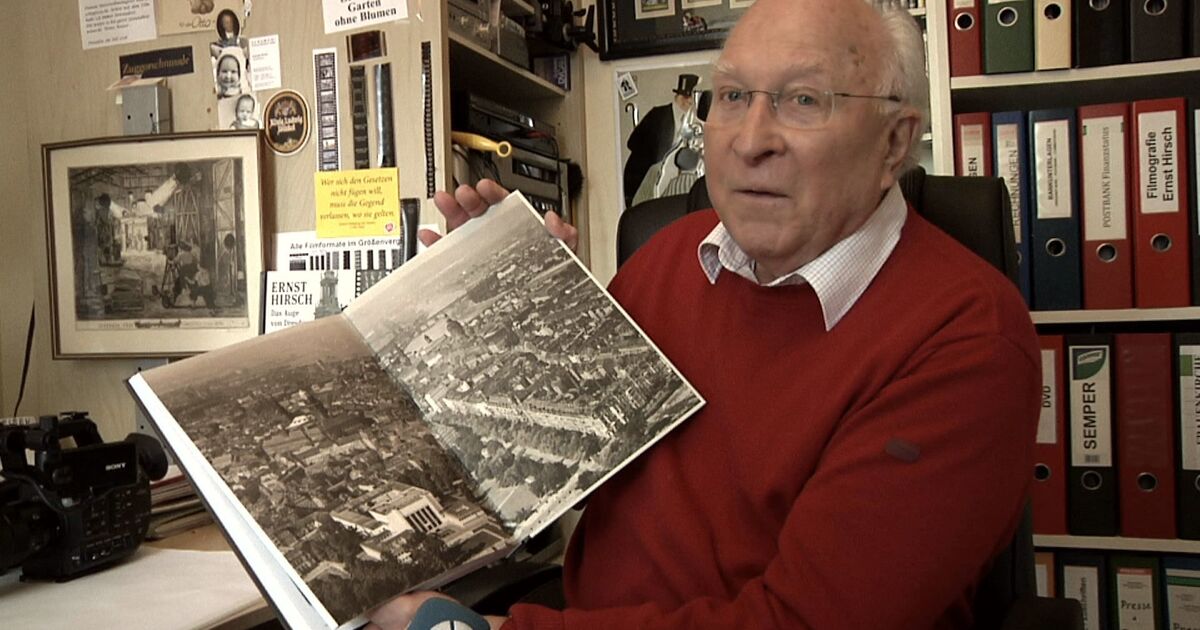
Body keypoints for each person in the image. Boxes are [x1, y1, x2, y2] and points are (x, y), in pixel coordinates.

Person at [368, 0, 1039, 627]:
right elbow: (538, 473)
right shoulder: (667, 259)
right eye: (734, 97)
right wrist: (489, 316)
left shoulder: (967, 337)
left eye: (802, 100)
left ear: (894, 143)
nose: (750, 140)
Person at [623, 72, 699, 207]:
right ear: (680, 97)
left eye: (691, 98)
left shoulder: (688, 121)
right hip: (641, 180)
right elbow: (632, 142)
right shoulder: (658, 115)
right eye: (687, 97)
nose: (690, 102)